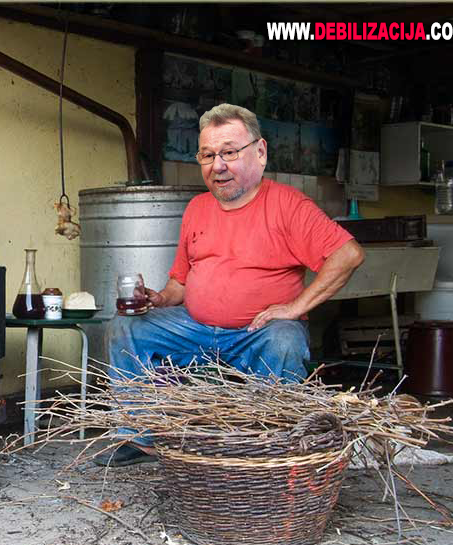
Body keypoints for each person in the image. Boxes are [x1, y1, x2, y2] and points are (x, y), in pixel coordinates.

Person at [97, 103, 365, 466]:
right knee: (126, 327)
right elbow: (180, 282)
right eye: (208, 155)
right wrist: (158, 298)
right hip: (195, 328)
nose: (218, 165)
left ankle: (271, 442)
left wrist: (297, 307)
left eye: (229, 152)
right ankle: (140, 437)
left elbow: (348, 254)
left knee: (285, 338)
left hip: (257, 332)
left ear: (260, 152)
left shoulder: (289, 206)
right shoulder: (197, 209)